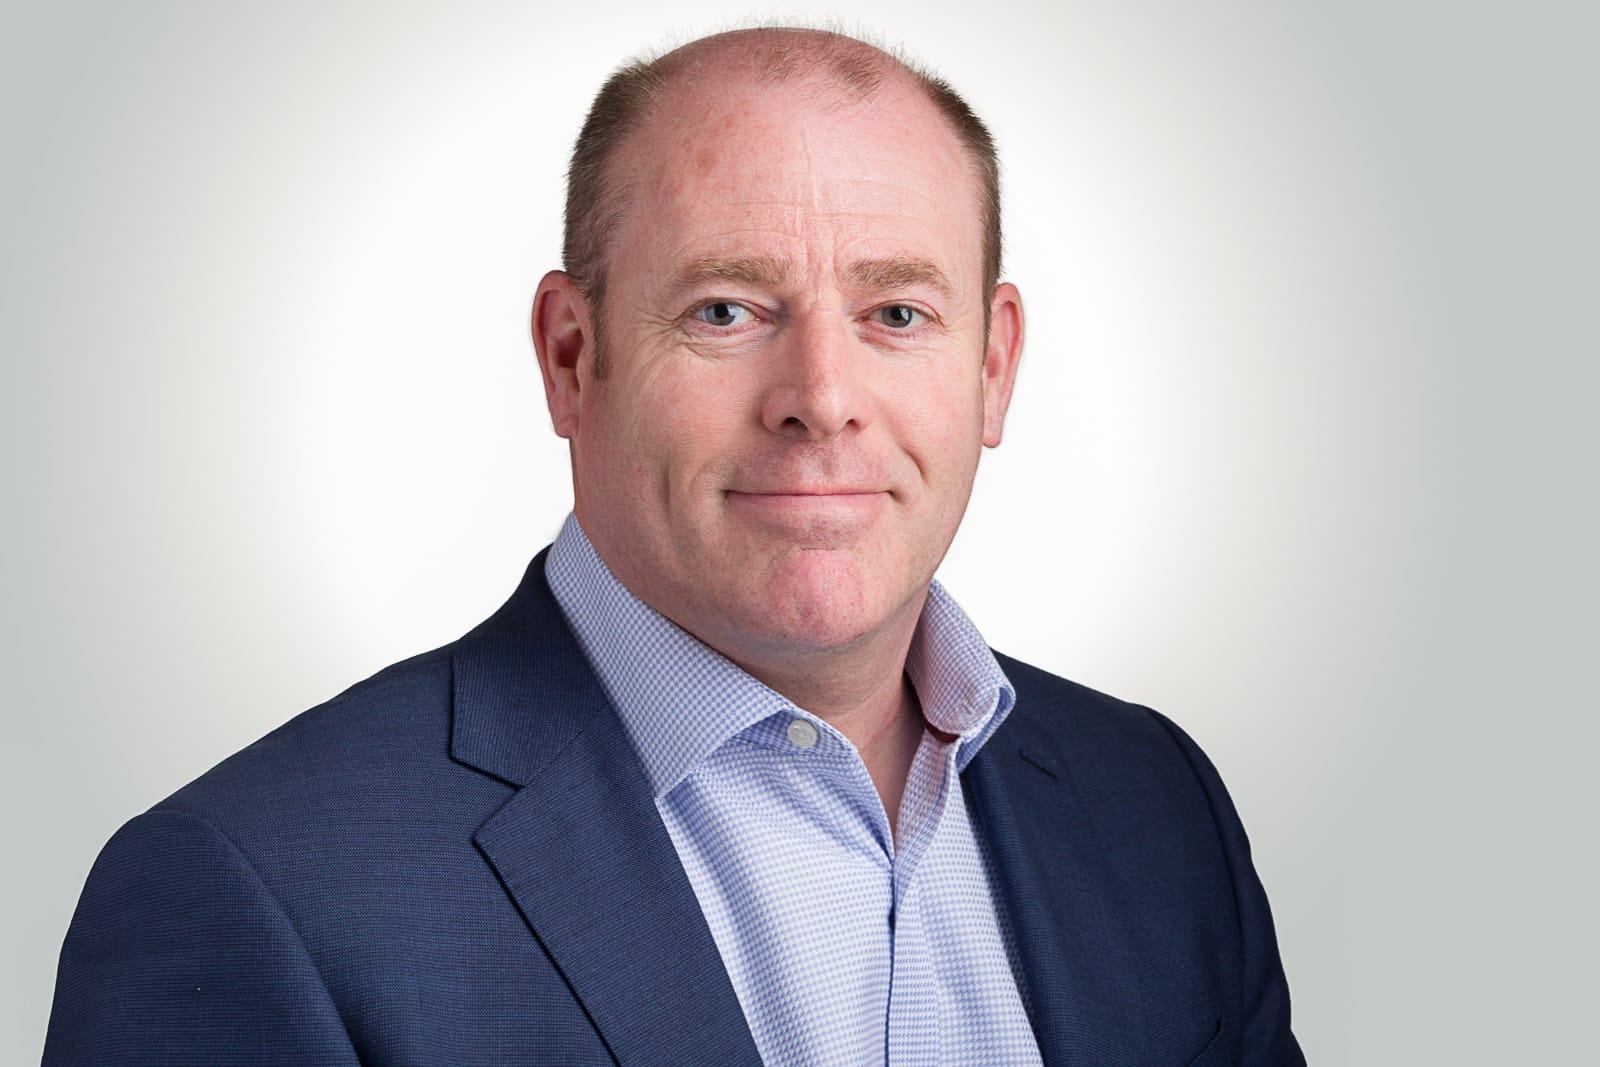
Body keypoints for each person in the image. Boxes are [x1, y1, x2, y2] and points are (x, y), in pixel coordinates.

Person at [44, 27, 1302, 1066]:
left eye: (896, 312)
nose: (821, 393)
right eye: (725, 309)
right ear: (571, 358)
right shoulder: (254, 892)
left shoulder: (1155, 809)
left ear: (991, 364)